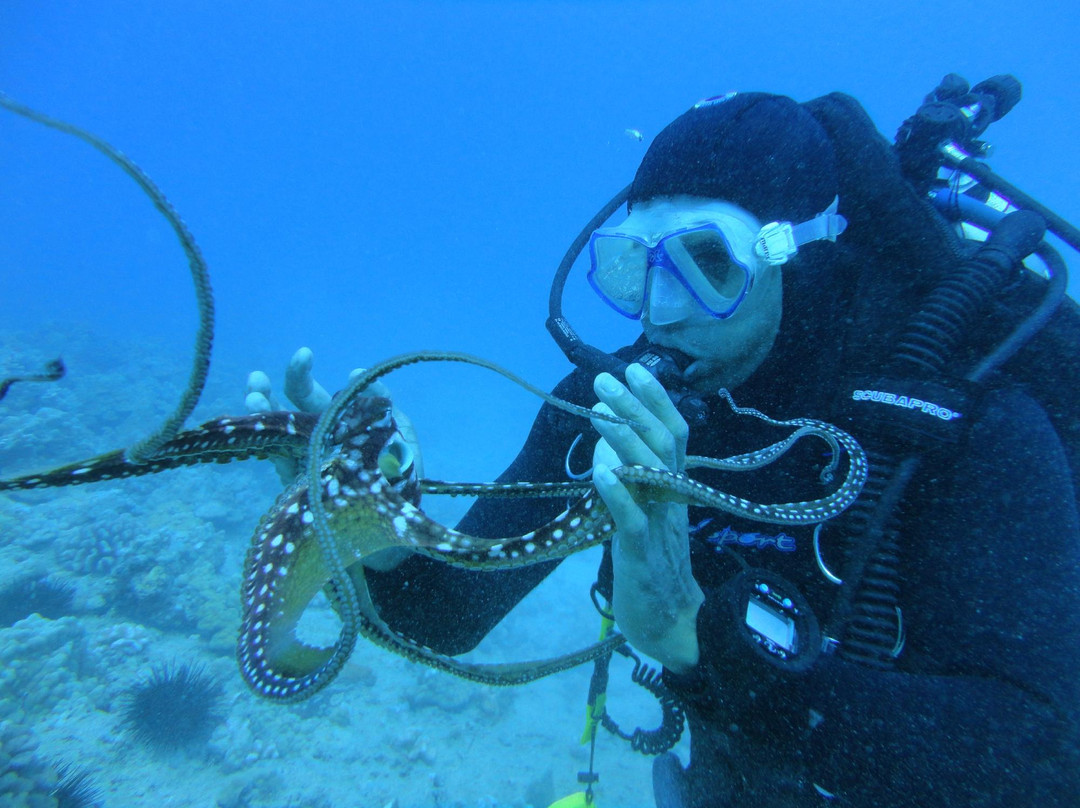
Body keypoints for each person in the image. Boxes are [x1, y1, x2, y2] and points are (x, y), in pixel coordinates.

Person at [248, 90, 1080, 806]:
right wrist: (366, 529)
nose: (661, 312)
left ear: (795, 251)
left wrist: (691, 638)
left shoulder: (954, 414)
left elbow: (1034, 759)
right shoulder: (607, 407)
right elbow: (447, 613)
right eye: (632, 267)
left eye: (706, 264)